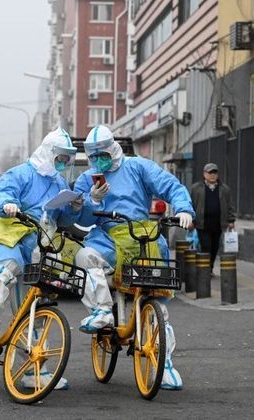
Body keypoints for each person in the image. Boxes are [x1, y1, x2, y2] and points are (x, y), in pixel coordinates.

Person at [72, 125, 194, 391]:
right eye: (93, 157)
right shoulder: (88, 178)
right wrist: (91, 201)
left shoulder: (138, 167)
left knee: (158, 308)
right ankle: (101, 310)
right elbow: (78, 217)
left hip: (143, 238)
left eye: (102, 154)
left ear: (113, 148)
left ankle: (166, 365)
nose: (98, 161)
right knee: (85, 256)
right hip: (107, 238)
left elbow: (170, 185)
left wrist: (183, 208)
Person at [0, 128, 80, 390]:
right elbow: (1, 193)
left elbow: (62, 219)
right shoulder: (21, 173)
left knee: (33, 312)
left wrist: (75, 208)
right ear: (49, 153)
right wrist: (7, 203)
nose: (63, 163)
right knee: (8, 266)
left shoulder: (60, 183)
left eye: (67, 159)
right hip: (8, 237)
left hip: (38, 249)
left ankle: (33, 369)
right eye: (60, 157)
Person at [190, 163, 236, 274]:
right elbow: (190, 204)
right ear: (204, 174)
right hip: (202, 224)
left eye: (214, 172)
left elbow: (230, 205)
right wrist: (190, 219)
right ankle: (204, 270)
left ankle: (209, 267)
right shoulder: (196, 188)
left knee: (215, 247)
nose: (212, 175)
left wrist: (231, 220)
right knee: (206, 246)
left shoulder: (225, 189)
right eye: (210, 172)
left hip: (218, 224)